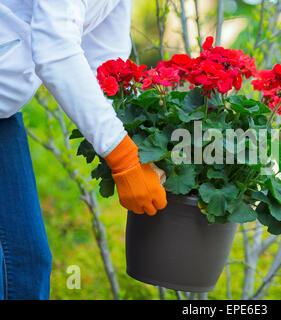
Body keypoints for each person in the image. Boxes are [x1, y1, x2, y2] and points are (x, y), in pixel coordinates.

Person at [0, 0, 167, 300]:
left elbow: (104, 64)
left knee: (25, 266)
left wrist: (152, 141)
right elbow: (56, 49)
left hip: (3, 114)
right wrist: (123, 157)